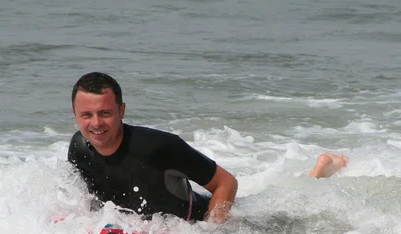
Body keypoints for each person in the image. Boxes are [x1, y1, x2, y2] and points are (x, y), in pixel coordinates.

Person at [67, 72, 348, 224]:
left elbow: (226, 182)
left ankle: (321, 171)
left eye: (105, 113)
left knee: (287, 218)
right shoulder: (78, 147)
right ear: (75, 114)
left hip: (204, 222)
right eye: (86, 115)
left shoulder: (159, 147)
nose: (96, 124)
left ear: (122, 110)